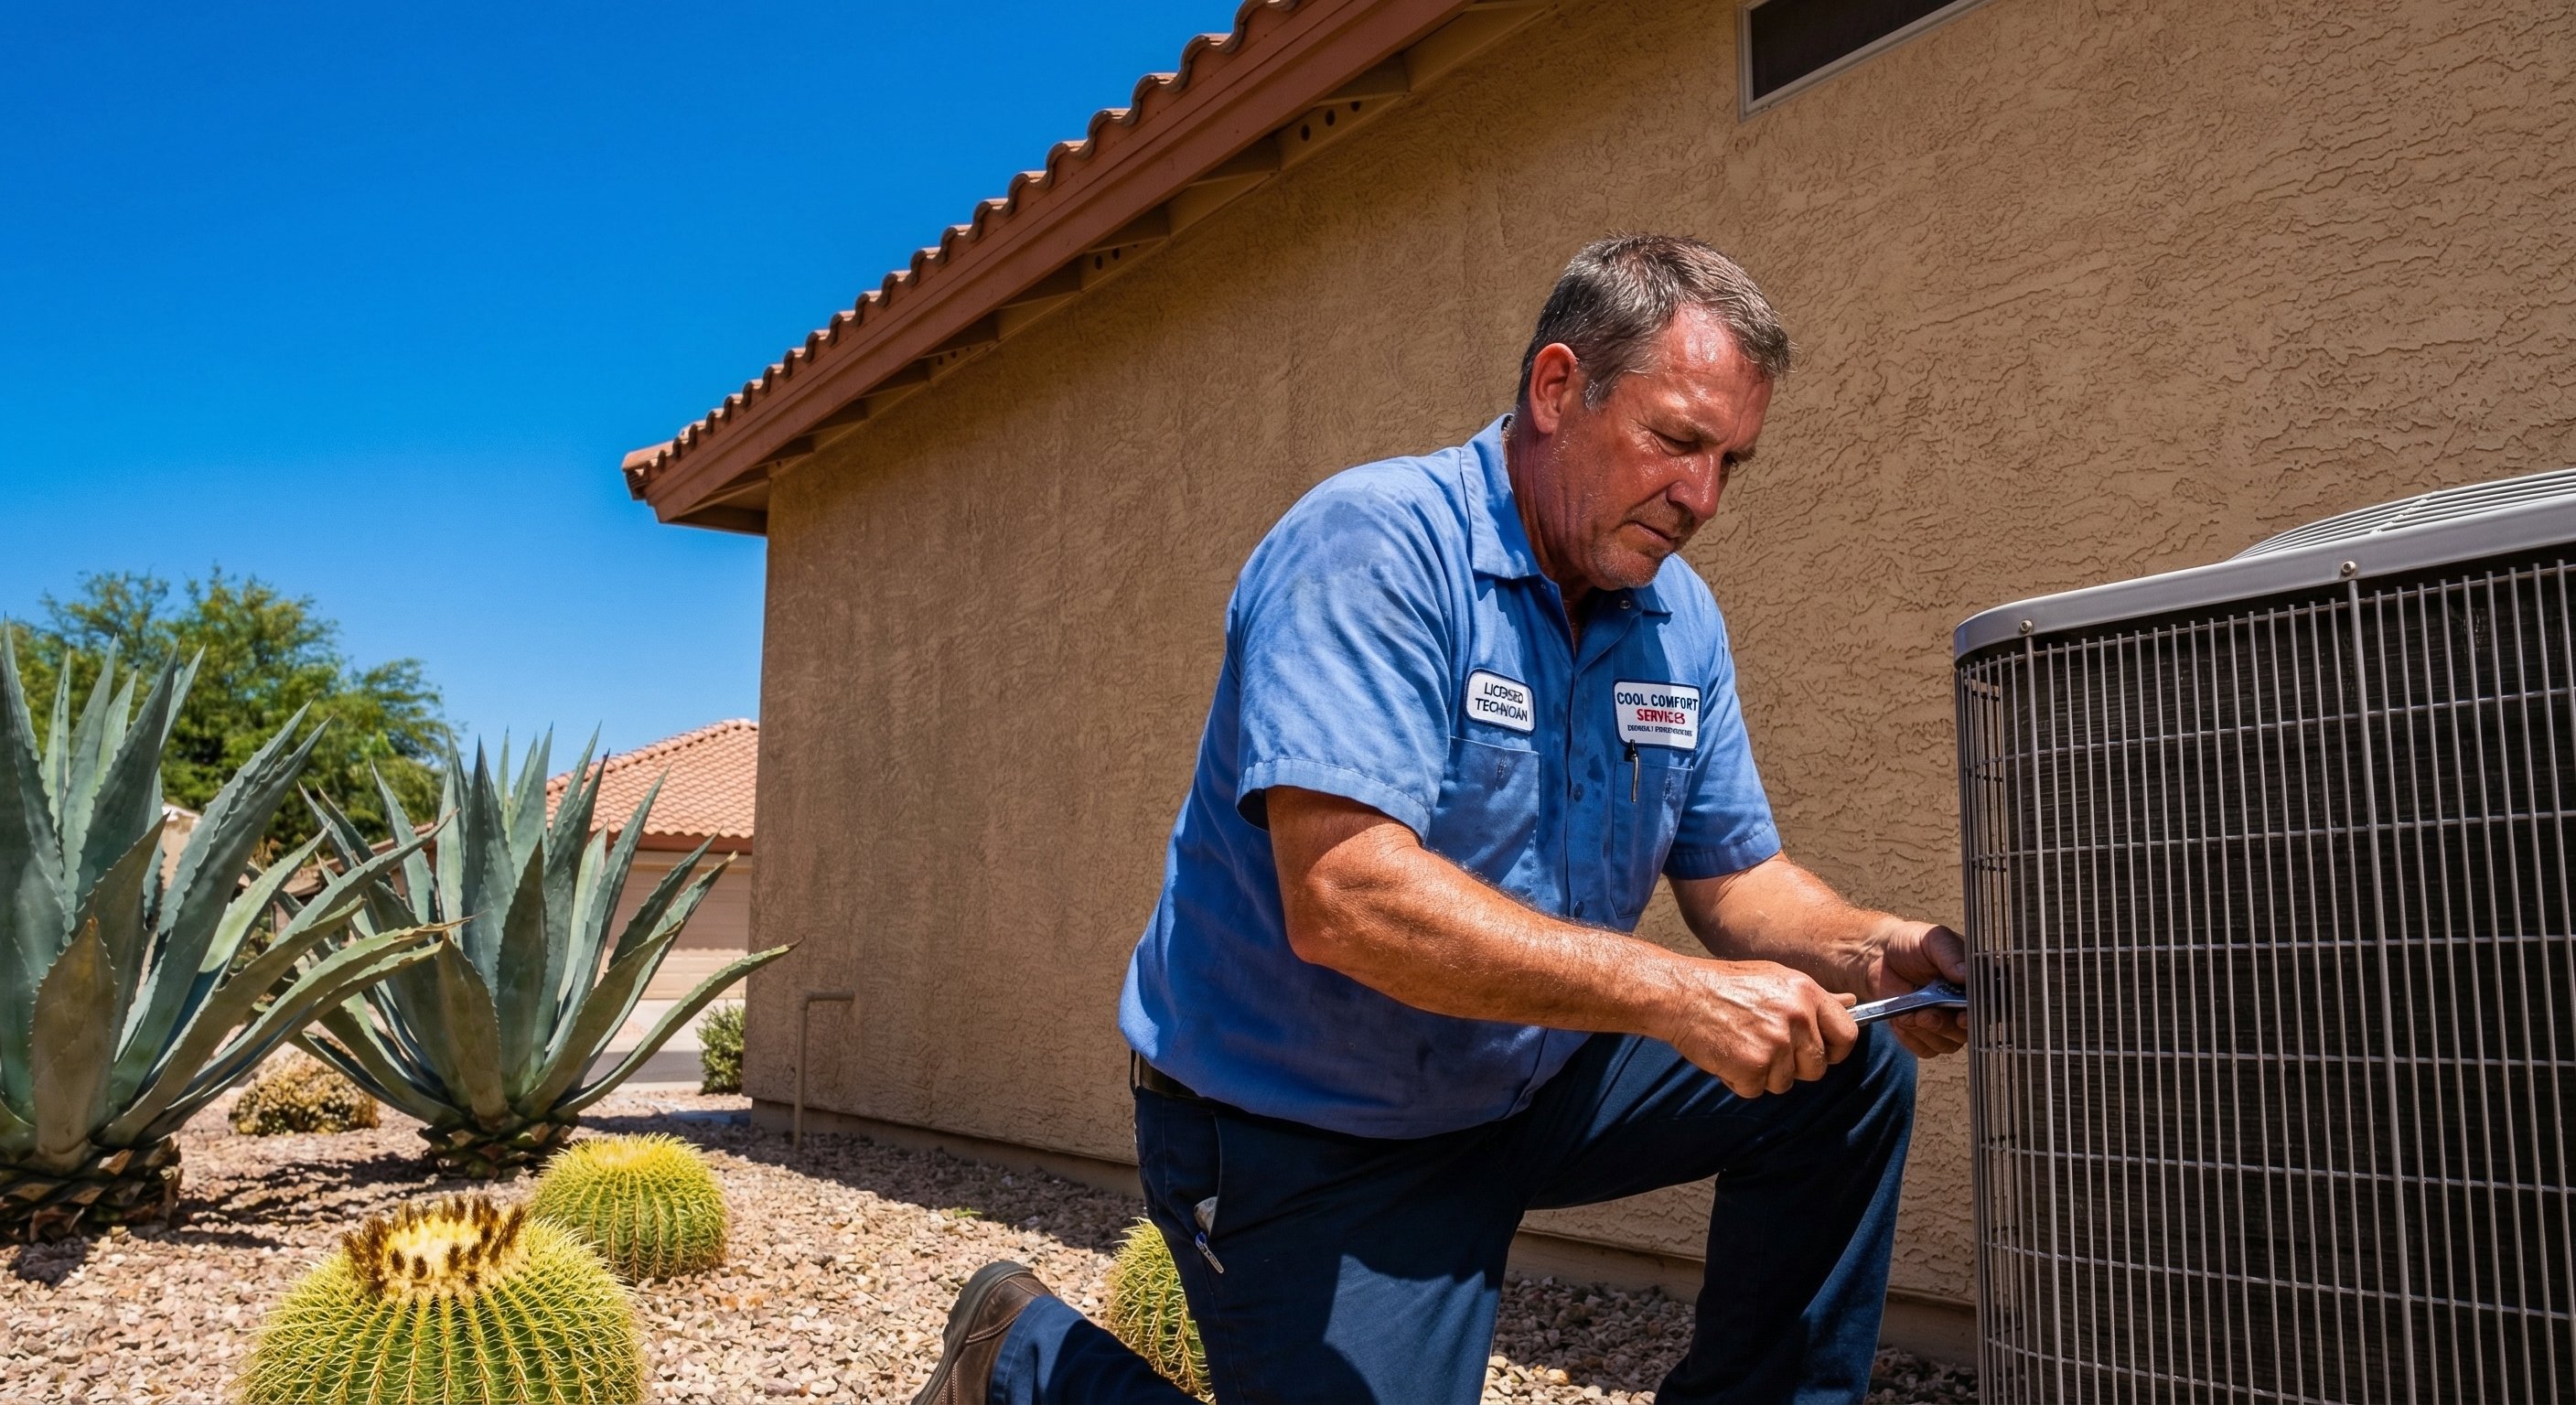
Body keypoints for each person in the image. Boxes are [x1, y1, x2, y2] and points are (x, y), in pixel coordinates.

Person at [910, 235, 1969, 1405]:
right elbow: (1348, 901)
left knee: (1846, 1062)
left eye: (1730, 462)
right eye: (1674, 442)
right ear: (1556, 389)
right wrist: (1678, 996)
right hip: (1307, 1125)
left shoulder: (1676, 618)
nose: (1701, 499)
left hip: (1525, 1080)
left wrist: (1872, 952)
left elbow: (1734, 876)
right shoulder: (1372, 547)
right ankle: (1020, 1358)